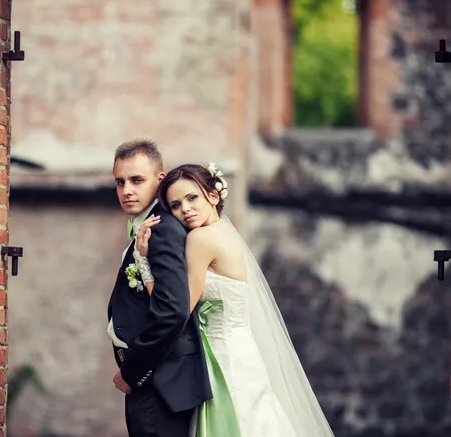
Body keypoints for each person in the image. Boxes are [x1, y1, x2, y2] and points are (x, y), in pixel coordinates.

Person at [133, 162, 337, 437]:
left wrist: (143, 261)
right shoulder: (226, 234)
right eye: (176, 205)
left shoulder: (200, 239)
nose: (185, 210)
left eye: (192, 198)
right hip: (243, 352)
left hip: (222, 359)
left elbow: (178, 307)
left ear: (213, 196)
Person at [107, 140, 212, 437]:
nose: (127, 190)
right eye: (120, 182)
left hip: (158, 382)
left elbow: (173, 311)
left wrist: (132, 373)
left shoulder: (162, 228)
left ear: (160, 179)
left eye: (137, 180)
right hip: (154, 382)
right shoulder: (147, 226)